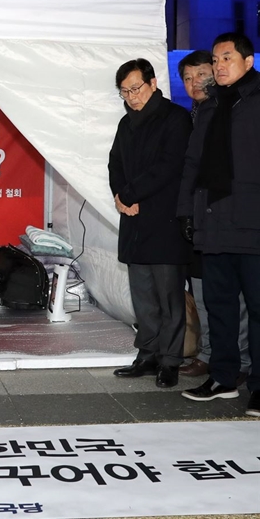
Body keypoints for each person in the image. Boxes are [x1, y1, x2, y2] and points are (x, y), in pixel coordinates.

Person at [178, 32, 260, 417]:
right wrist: (186, 213)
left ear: (247, 61)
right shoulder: (210, 107)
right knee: (220, 305)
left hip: (252, 222)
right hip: (212, 222)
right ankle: (224, 377)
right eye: (215, 59)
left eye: (227, 57)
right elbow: (193, 165)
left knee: (258, 309)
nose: (219, 66)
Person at [109, 58, 192, 388]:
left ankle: (171, 360)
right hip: (134, 221)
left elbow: (168, 166)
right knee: (142, 295)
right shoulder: (125, 123)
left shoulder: (175, 118)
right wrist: (120, 195)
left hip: (165, 220)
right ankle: (147, 353)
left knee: (169, 297)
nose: (131, 96)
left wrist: (129, 194)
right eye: (124, 91)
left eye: (136, 88)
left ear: (153, 83)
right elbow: (114, 163)